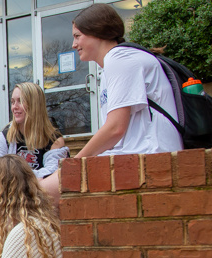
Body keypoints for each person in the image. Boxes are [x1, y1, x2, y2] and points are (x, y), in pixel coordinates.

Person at [40, 3, 183, 203]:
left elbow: (115, 128)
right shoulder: (111, 65)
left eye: (77, 36)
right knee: (40, 195)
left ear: (97, 32)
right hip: (137, 154)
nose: (73, 44)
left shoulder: (119, 58)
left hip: (151, 156)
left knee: (37, 195)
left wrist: (74, 163)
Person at [0, 82, 68, 179]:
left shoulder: (54, 140)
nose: (14, 107)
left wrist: (16, 177)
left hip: (44, 193)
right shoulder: (3, 139)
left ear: (35, 104)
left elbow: (53, 176)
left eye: (21, 101)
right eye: (13, 102)